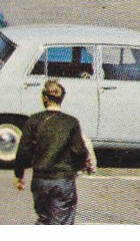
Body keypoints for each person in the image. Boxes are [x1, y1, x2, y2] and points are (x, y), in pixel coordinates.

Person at [12, 79, 96, 225]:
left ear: (44, 98)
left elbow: (23, 152)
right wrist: (83, 164)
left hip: (40, 180)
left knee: (44, 219)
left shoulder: (34, 120)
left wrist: (19, 176)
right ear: (61, 98)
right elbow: (79, 151)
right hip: (63, 180)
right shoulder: (71, 122)